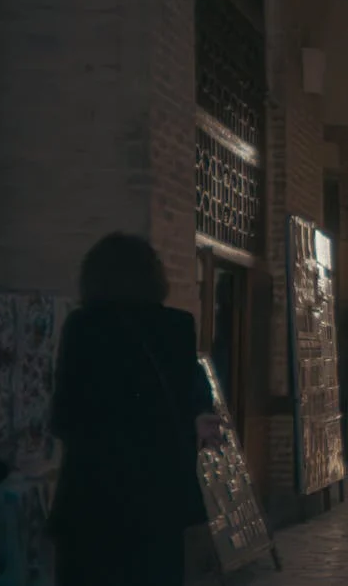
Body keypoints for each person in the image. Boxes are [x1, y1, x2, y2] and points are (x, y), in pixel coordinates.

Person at [49, 233, 223, 586]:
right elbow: (193, 395)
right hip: (159, 498)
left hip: (93, 496)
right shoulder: (177, 327)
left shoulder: (83, 327)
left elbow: (65, 416)